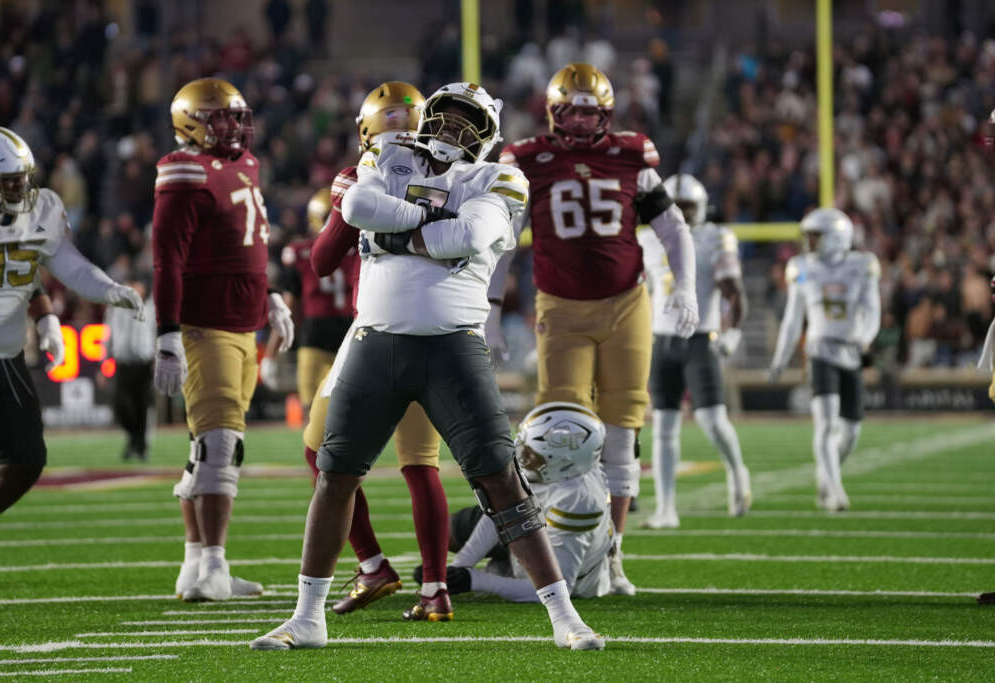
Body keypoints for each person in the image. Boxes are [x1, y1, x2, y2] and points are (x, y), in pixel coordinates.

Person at [251, 82, 604, 651]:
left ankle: (565, 618)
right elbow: (358, 209)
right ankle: (307, 617)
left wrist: (396, 233)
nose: (453, 129)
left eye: (469, 122)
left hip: (453, 347)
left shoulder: (498, 178)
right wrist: (430, 219)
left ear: (487, 137)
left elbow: (468, 235)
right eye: (446, 116)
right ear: (427, 117)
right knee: (336, 474)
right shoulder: (388, 154)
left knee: (501, 480)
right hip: (375, 341)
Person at [499, 63, 698, 595]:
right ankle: (553, 547)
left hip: (626, 303)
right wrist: (491, 309)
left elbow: (673, 228)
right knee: (558, 432)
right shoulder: (527, 160)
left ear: (607, 115)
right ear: (553, 113)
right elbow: (503, 241)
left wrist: (687, 289)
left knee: (622, 430)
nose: (583, 122)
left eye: (591, 113)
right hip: (561, 308)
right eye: (572, 112)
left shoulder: (632, 155)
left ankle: (612, 554)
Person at [0, 125, 143, 610]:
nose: (18, 189)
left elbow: (61, 264)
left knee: (24, 460)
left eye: (21, 179)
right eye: (7, 181)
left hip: (6, 355)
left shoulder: (39, 209)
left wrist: (105, 291)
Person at [301, 82, 452, 620]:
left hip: (377, 331)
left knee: (321, 452)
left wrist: (348, 205)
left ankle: (372, 565)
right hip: (439, 329)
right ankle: (434, 589)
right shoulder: (455, 174)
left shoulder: (359, 177)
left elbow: (321, 261)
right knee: (421, 465)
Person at [151, 78, 294, 602]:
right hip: (204, 323)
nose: (234, 126)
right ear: (191, 123)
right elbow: (168, 260)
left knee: (207, 447)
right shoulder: (183, 170)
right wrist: (168, 334)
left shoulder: (246, 164)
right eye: (221, 118)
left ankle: (195, 562)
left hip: (242, 323)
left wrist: (270, 296)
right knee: (219, 443)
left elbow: (247, 243)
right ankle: (214, 564)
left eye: (237, 116)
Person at [638, 174, 751, 529]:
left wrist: (733, 333)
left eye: (688, 207)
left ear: (701, 208)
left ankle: (737, 472)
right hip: (661, 339)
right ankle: (666, 509)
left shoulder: (715, 237)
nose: (683, 214)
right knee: (663, 427)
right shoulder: (646, 238)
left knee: (712, 420)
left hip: (700, 339)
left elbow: (733, 290)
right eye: (677, 206)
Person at [422, 402, 613, 602]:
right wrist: (459, 567)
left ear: (563, 462)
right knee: (446, 531)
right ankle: (501, 564)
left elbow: (556, 588)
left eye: (530, 453)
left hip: (570, 570)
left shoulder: (577, 501)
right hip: (533, 522)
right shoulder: (562, 467)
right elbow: (504, 509)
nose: (520, 454)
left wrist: (473, 580)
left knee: (535, 575)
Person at [768, 208, 881, 512]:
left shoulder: (862, 265)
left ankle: (826, 476)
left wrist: (864, 338)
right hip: (819, 350)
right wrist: (780, 359)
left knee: (851, 431)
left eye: (815, 236)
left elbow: (873, 310)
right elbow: (793, 318)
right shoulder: (803, 268)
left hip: (851, 351)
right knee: (826, 423)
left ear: (837, 236)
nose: (809, 242)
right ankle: (835, 491)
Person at [261, 188, 355, 411]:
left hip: (316, 339)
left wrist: (270, 354)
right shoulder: (359, 250)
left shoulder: (300, 252)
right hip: (350, 338)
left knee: (314, 413)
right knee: (348, 411)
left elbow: (289, 310)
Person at [105, 278, 157, 461]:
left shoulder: (151, 308)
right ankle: (134, 438)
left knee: (142, 406)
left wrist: (159, 357)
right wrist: (103, 361)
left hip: (144, 363)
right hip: (123, 363)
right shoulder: (115, 308)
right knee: (121, 406)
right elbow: (108, 334)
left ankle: (140, 446)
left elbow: (157, 332)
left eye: (136, 286)